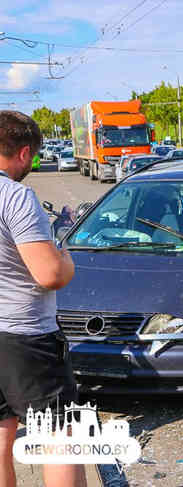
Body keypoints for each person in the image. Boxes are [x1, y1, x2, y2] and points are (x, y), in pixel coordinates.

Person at [0, 111, 86, 486]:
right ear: (22, 153)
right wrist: (65, 257)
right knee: (60, 440)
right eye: (32, 158)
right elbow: (49, 274)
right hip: (25, 338)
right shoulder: (15, 196)